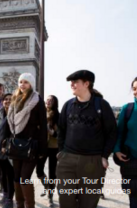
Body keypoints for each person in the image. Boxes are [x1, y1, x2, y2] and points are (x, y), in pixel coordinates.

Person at [57, 70, 117, 208]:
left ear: (86, 84)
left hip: (93, 162)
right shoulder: (67, 105)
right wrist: (61, 152)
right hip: (67, 160)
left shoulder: (102, 105)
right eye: (71, 82)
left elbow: (112, 132)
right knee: (66, 201)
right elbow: (61, 130)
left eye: (75, 82)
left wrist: (104, 156)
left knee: (88, 203)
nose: (72, 85)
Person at [7, 73, 47, 208]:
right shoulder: (14, 99)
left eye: (26, 82)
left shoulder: (37, 100)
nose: (22, 85)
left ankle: (29, 206)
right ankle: (19, 205)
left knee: (25, 178)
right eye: (20, 82)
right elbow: (11, 123)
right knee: (17, 177)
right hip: (17, 144)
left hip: (32, 145)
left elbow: (43, 125)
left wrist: (42, 148)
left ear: (31, 84)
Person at [114, 77, 137, 208]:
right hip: (132, 164)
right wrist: (116, 150)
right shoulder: (127, 109)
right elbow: (119, 132)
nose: (136, 92)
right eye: (134, 89)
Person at [35, 95, 59, 206]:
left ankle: (50, 196)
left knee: (52, 173)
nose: (48, 101)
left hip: (54, 147)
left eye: (51, 100)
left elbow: (61, 134)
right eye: (47, 100)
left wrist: (52, 132)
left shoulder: (58, 116)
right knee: (39, 170)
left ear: (55, 102)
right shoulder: (41, 113)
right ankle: (47, 186)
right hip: (42, 146)